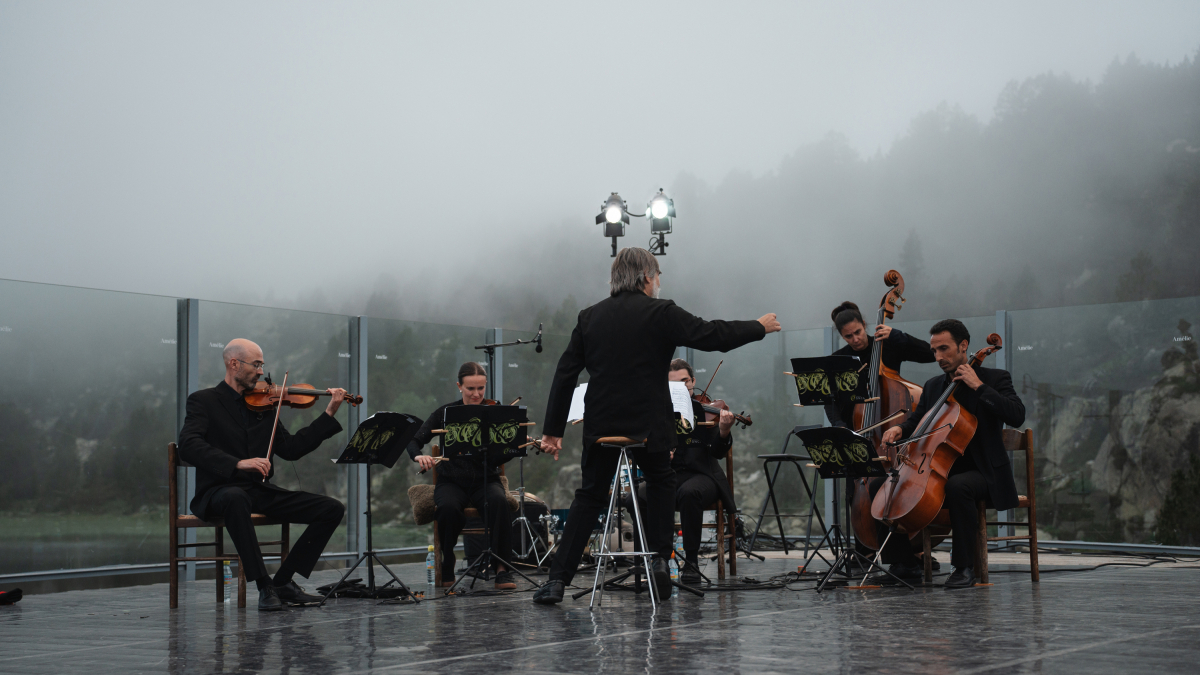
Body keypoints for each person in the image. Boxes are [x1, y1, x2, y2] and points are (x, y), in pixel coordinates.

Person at [532, 247, 780, 604]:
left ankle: (557, 581)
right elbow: (711, 334)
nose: (659, 282)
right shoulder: (661, 312)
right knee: (663, 479)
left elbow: (565, 373)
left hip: (601, 424)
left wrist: (553, 431)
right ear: (647, 277)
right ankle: (661, 561)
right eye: (658, 275)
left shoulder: (590, 317)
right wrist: (758, 327)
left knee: (589, 496)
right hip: (649, 423)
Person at [178, 338, 348, 611]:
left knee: (331, 508)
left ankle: (282, 582)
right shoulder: (203, 401)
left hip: (258, 492)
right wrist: (237, 463)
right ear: (234, 364)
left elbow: (292, 449)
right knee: (235, 498)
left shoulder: (265, 406)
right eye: (256, 365)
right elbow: (188, 445)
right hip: (218, 492)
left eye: (262, 366)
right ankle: (263, 584)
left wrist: (329, 413)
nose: (260, 372)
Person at [880, 319, 1025, 588]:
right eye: (934, 351)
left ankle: (963, 567)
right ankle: (904, 563)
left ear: (963, 346)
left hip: (984, 472)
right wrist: (900, 429)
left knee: (959, 486)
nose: (938, 357)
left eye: (944, 349)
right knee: (886, 483)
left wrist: (978, 386)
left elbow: (1017, 415)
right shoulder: (934, 385)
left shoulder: (995, 378)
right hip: (941, 468)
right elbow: (918, 422)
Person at [825, 301, 935, 569]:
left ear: (865, 325)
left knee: (893, 489)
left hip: (892, 436)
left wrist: (897, 335)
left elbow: (929, 353)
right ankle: (864, 553)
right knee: (857, 490)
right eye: (848, 336)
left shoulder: (886, 344)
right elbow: (830, 400)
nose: (856, 339)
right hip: (859, 431)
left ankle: (910, 552)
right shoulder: (840, 360)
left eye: (858, 332)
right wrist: (839, 423)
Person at [407, 362, 517, 590]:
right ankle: (448, 560)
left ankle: (502, 568)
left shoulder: (495, 413)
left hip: (485, 479)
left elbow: (506, 452)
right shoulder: (445, 413)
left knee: (499, 501)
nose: (476, 394)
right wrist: (419, 457)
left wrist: (508, 447)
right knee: (447, 508)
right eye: (470, 389)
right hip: (451, 481)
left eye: (481, 388)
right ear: (459, 386)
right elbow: (414, 440)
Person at [668, 359, 738, 585]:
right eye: (673, 385)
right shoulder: (660, 413)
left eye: (684, 382)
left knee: (690, 493)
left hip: (703, 477)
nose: (680, 388)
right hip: (669, 476)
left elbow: (717, 452)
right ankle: (652, 560)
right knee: (635, 497)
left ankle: (691, 562)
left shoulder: (706, 411)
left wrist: (724, 431)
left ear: (693, 381)